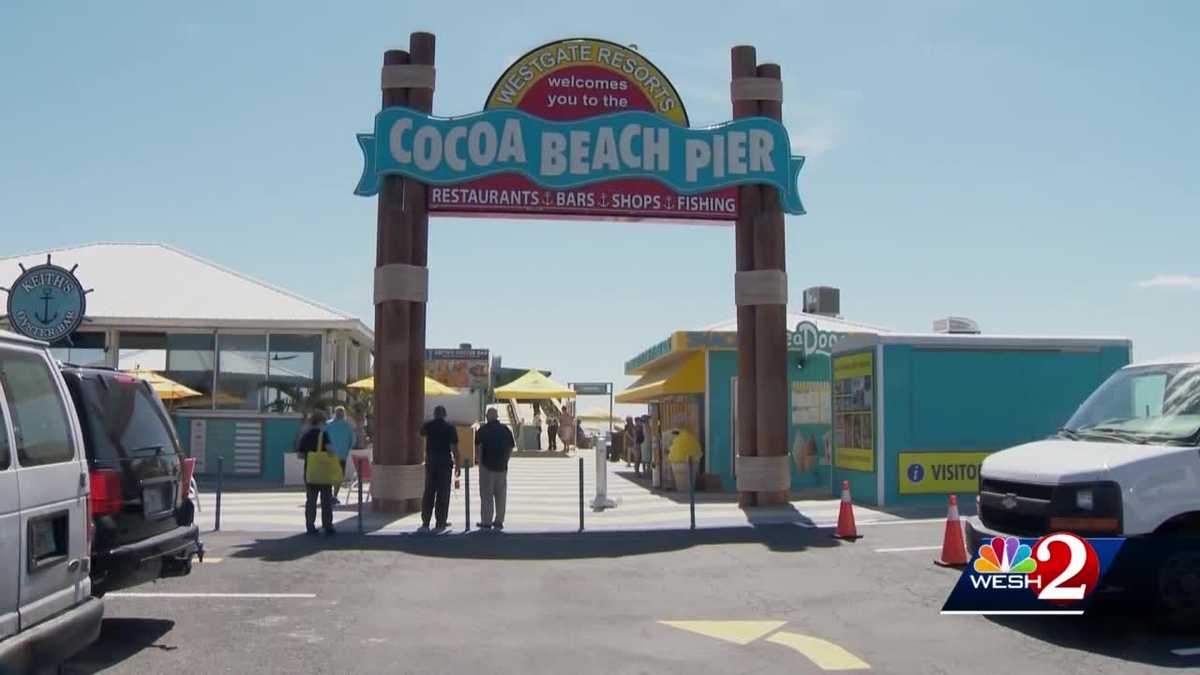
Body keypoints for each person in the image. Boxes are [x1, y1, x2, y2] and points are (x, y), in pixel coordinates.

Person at [418, 405, 460, 532]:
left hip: (431, 462)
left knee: (429, 492)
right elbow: (454, 449)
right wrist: (458, 465)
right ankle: (440, 522)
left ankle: (425, 522)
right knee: (443, 493)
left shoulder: (428, 426)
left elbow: (420, 433)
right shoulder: (450, 428)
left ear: (435, 414)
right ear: (445, 415)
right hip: (445, 463)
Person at [475, 407, 515, 531]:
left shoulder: (482, 430)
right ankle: (499, 520)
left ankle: (486, 521)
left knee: (486, 495)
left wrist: (480, 463)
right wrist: (506, 460)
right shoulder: (505, 429)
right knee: (501, 495)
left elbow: (478, 449)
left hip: (487, 467)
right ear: (497, 416)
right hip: (502, 467)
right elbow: (510, 447)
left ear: (487, 417)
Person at [297, 411, 337, 536]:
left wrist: (312, 455)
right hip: (324, 472)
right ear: (320, 422)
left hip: (310, 471)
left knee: (311, 501)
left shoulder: (306, 435)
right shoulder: (323, 435)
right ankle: (327, 525)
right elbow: (330, 451)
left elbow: (300, 455)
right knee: (326, 501)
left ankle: (310, 526)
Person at [325, 406, 356, 504]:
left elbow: (322, 438)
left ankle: (329, 495)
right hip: (342, 455)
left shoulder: (328, 425)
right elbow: (353, 441)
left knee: (329, 476)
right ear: (344, 415)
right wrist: (347, 449)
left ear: (335, 413)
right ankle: (334, 496)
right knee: (338, 476)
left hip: (329, 455)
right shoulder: (348, 426)